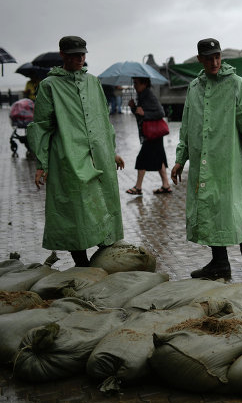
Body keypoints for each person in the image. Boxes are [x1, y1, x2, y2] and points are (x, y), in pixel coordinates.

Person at [27, 36, 125, 267]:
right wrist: (42, 164)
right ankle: (81, 262)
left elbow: (103, 118)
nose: (80, 59)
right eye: (75, 55)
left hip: (99, 155)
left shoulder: (93, 82)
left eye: (83, 54)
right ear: (63, 55)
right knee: (74, 208)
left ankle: (104, 258)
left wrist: (111, 151)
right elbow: (41, 126)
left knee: (103, 202)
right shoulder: (49, 86)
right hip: (68, 157)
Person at [171, 38, 242, 278]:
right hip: (204, 162)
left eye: (217, 56)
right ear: (200, 60)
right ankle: (220, 262)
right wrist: (180, 158)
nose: (214, 62)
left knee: (237, 206)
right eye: (209, 58)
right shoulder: (194, 87)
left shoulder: (237, 85)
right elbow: (187, 125)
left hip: (230, 161)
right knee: (209, 207)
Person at [125, 77, 172, 195]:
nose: (134, 86)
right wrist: (133, 107)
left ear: (144, 83)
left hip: (152, 134)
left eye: (136, 83)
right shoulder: (142, 95)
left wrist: (144, 112)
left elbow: (160, 112)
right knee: (159, 158)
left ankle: (138, 187)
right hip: (152, 133)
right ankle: (166, 185)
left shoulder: (148, 95)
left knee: (142, 158)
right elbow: (140, 115)